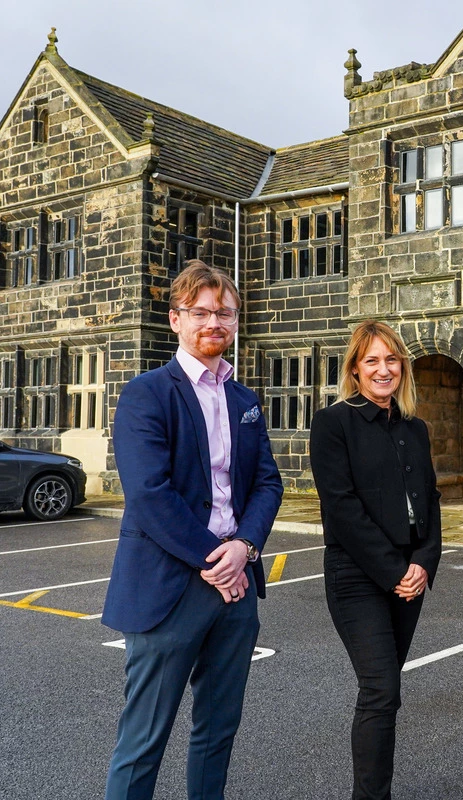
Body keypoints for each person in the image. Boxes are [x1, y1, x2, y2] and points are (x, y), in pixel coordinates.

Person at [103, 260, 283, 799]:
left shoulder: (244, 399)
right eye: (201, 312)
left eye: (225, 313)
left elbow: (268, 484)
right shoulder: (147, 394)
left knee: (218, 733)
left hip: (236, 589)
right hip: (170, 586)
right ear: (176, 319)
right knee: (143, 741)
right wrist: (219, 559)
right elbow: (150, 497)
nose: (215, 322)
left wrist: (245, 547)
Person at [310, 320, 442, 800]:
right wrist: (394, 571)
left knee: (386, 695)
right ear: (355, 369)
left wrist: (424, 563)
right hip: (358, 576)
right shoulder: (333, 423)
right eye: (372, 361)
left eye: (392, 360)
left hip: (410, 575)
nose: (383, 369)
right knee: (381, 689)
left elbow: (429, 501)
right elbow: (341, 509)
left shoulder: (416, 427)